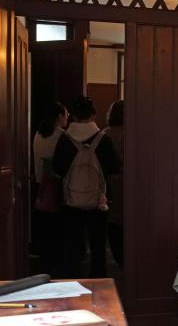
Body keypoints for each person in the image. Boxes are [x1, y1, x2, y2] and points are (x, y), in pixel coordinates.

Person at [52, 96, 121, 278]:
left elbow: (57, 168)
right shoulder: (103, 139)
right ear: (93, 115)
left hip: (71, 201)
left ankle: (72, 279)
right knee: (98, 245)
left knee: (72, 245)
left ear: (74, 116)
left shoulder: (65, 139)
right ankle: (98, 281)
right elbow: (114, 167)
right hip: (98, 201)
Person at [32, 101, 67, 275]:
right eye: (66, 114)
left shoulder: (38, 134)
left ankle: (44, 263)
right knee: (56, 228)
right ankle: (56, 265)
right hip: (55, 185)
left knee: (44, 227)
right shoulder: (62, 135)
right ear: (59, 116)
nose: (67, 117)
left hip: (40, 185)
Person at [104, 100, 124, 267]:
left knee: (112, 219)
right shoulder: (131, 132)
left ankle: (118, 257)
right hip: (127, 181)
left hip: (108, 181)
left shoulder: (104, 134)